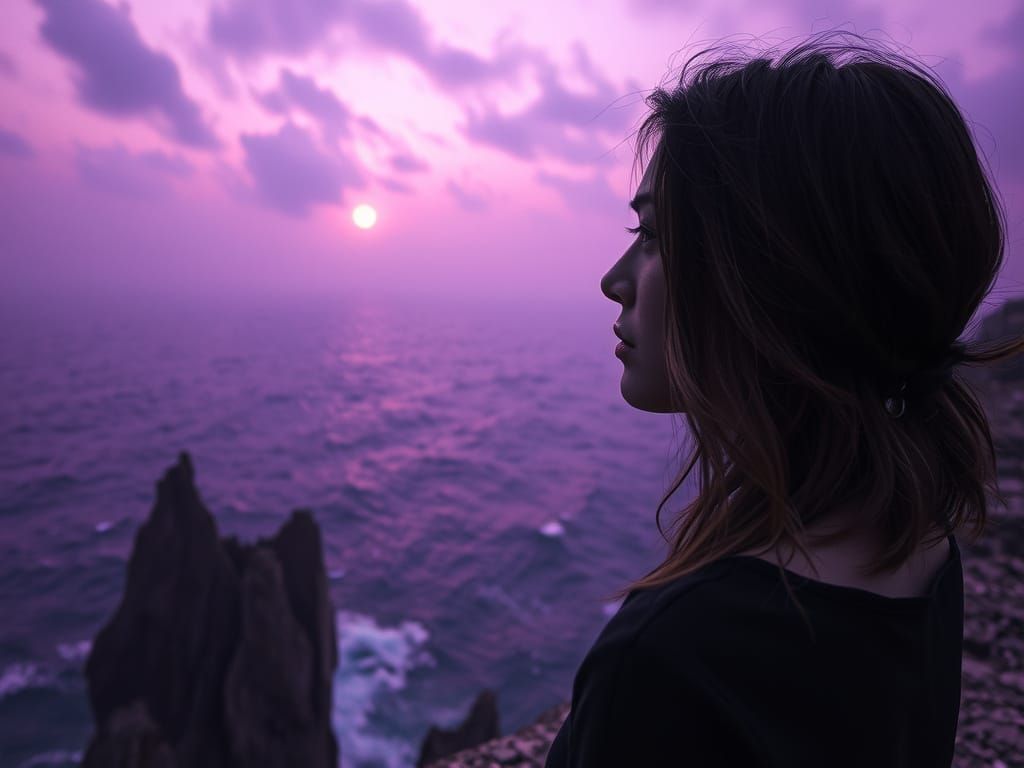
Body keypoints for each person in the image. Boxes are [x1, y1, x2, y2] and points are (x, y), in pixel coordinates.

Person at [544, 29, 1024, 768]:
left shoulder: (673, 658)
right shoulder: (923, 539)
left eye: (654, 235)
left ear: (771, 277)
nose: (614, 280)